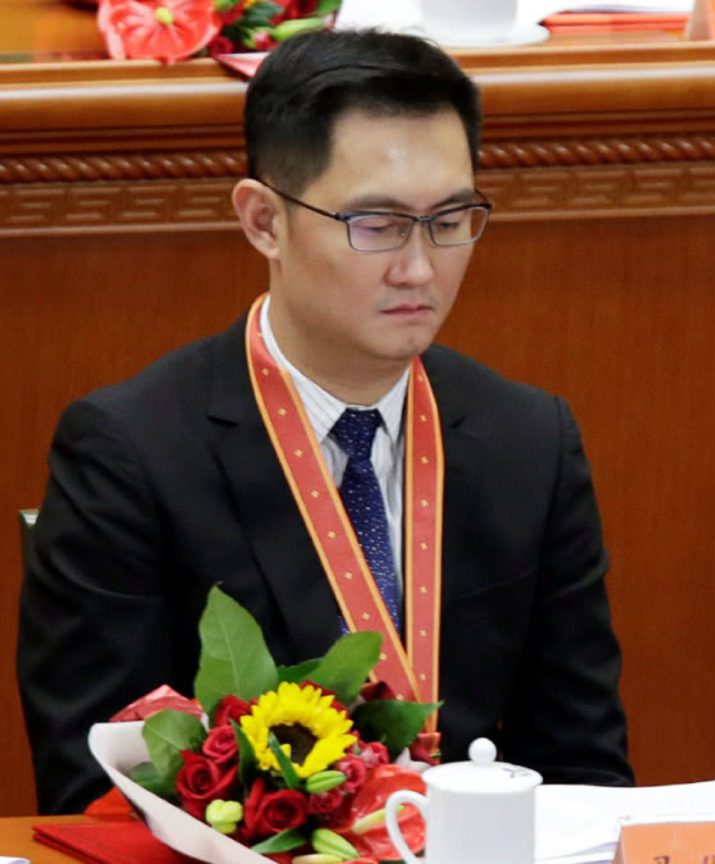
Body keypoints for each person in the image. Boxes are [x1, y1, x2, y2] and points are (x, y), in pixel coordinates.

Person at [18, 29, 632, 814]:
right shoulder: (130, 452)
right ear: (263, 220)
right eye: (375, 224)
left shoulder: (529, 440)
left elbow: (584, 772)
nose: (420, 268)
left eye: (450, 218)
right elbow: (97, 797)